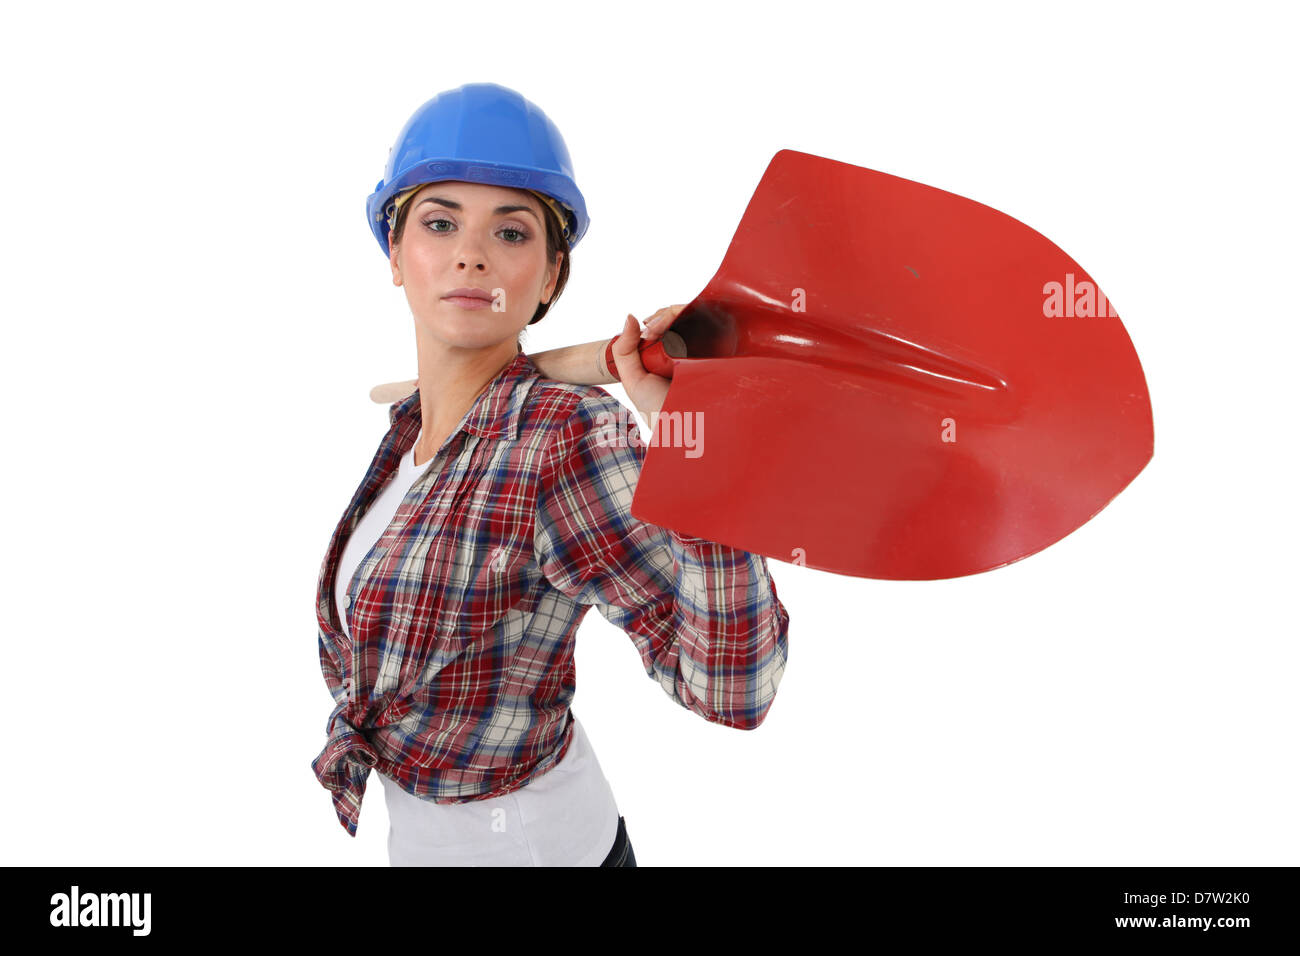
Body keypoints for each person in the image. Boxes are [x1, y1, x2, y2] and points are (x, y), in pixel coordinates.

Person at [311, 83, 790, 866]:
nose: (471, 253)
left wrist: (692, 446)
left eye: (510, 230)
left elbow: (735, 688)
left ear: (551, 275)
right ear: (395, 254)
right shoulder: (409, 433)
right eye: (440, 222)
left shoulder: (566, 437)